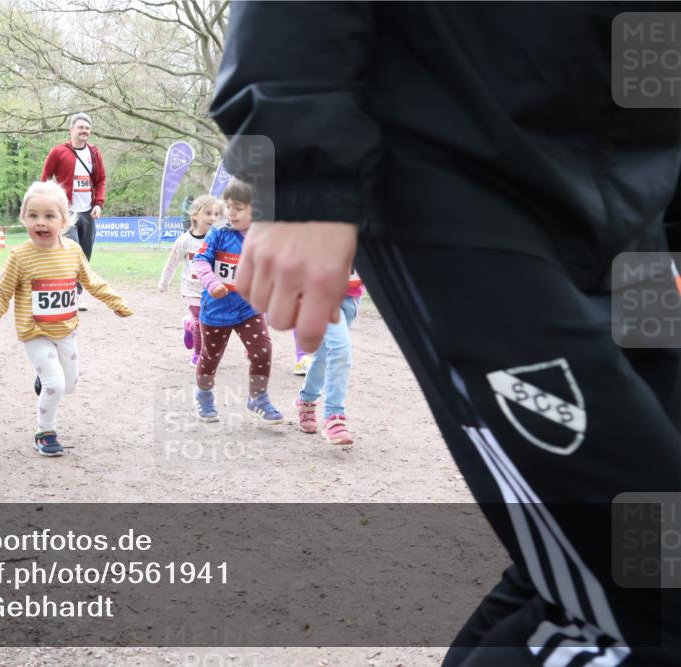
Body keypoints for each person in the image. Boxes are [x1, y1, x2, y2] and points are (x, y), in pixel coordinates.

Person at [210, 3, 679, 665]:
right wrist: (301, 164)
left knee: (586, 549)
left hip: (637, 211)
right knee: (649, 595)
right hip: (456, 171)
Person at [0, 180, 132, 456]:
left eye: (50, 216)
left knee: (68, 385)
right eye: (33, 215)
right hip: (35, 333)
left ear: (65, 220)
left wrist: (115, 302)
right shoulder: (20, 256)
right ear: (24, 218)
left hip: (66, 331)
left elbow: (91, 281)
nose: (41, 222)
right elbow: (2, 292)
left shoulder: (72, 251)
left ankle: (45, 381)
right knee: (55, 384)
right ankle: (45, 432)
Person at [191, 178, 282, 424]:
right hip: (216, 311)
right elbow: (199, 261)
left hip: (248, 309)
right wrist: (212, 283)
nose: (230, 213)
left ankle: (258, 398)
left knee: (263, 351)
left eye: (238, 208)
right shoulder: (219, 233)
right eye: (228, 206)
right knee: (210, 358)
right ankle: (204, 394)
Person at [41, 112, 106, 308]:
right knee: (71, 252)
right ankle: (66, 294)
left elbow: (101, 180)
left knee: (84, 256)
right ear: (71, 130)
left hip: (88, 212)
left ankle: (75, 296)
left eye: (87, 128)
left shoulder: (94, 153)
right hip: (67, 213)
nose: (84, 131)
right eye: (81, 128)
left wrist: (98, 203)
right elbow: (44, 178)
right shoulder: (58, 152)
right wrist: (50, 206)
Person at [296, 271, 364, 445]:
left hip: (351, 298)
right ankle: (334, 417)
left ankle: (306, 400)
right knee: (341, 349)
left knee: (325, 354)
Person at [158, 194, 221, 367]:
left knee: (209, 323)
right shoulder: (184, 240)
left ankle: (188, 325)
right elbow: (172, 262)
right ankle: (198, 354)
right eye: (208, 213)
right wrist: (164, 283)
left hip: (211, 289)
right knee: (199, 321)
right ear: (195, 215)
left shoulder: (218, 239)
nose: (213, 218)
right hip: (190, 289)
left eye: (216, 214)